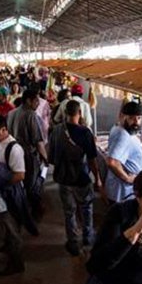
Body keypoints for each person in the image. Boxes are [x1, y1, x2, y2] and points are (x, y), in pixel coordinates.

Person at [0, 114, 36, 275]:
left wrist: (0, 183)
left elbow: (20, 175)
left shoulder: (14, 149)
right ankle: (7, 246)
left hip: (9, 197)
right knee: (4, 225)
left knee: (13, 229)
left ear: (4, 129)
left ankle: (16, 263)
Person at [49, 100, 101, 256]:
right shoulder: (85, 133)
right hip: (81, 178)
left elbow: (51, 158)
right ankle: (87, 238)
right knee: (86, 208)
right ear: (80, 113)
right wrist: (97, 178)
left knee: (69, 212)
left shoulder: (56, 131)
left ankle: (72, 242)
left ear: (65, 113)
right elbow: (92, 159)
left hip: (63, 179)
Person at [7, 88, 48, 217]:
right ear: (28, 101)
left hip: (13, 153)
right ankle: (32, 211)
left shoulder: (12, 113)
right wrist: (45, 158)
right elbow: (38, 142)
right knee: (32, 183)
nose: (38, 103)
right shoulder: (31, 115)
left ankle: (22, 209)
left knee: (20, 183)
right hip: (27, 155)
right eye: (36, 101)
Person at [104, 101, 142, 203]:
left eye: (139, 118)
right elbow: (112, 162)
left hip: (119, 190)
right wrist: (127, 178)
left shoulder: (118, 128)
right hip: (123, 192)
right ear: (123, 116)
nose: (136, 122)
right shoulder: (123, 135)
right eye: (132, 118)